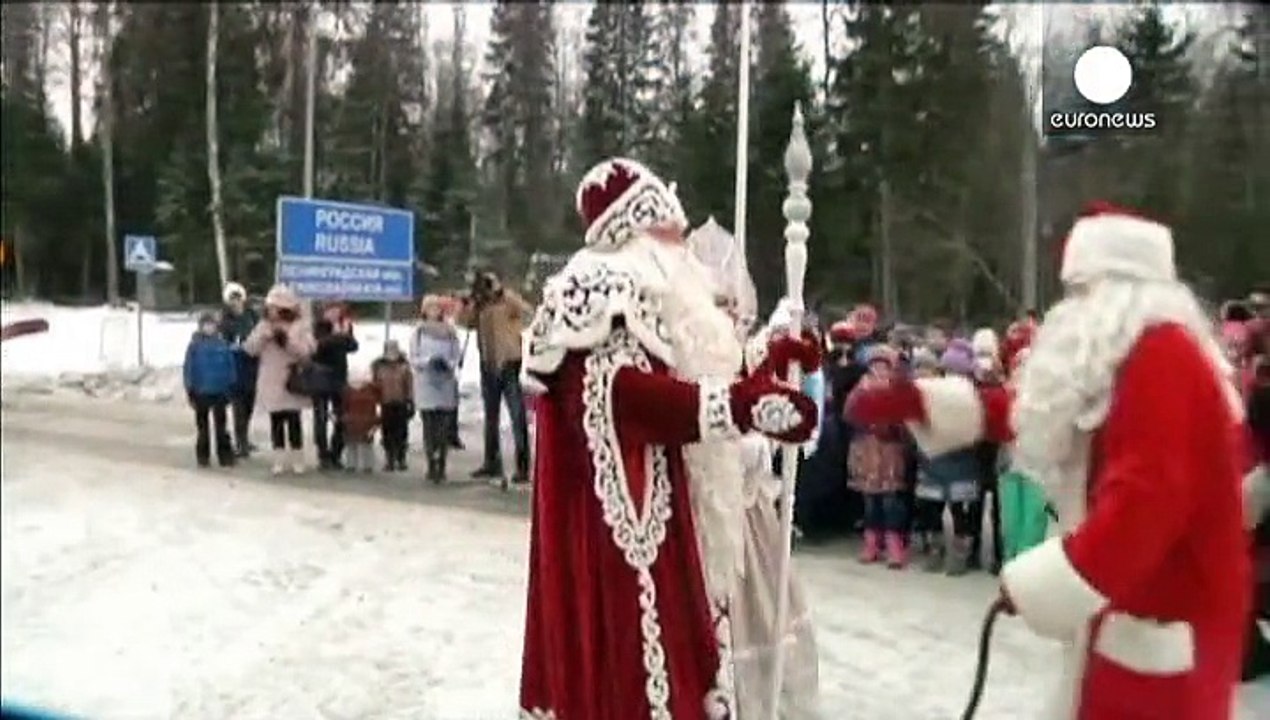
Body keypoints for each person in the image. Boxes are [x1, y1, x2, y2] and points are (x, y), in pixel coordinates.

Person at [848, 201, 1250, 719]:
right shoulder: (1129, 354)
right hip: (1131, 616)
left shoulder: (1163, 356)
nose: (1071, 308)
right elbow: (1043, 410)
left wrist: (1045, 583)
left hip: (1162, 619)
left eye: (1080, 292)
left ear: (1113, 292)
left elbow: (1148, 501)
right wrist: (917, 401)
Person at [517, 157, 820, 719]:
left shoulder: (658, 294)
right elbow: (623, 398)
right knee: (644, 675)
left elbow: (692, 375)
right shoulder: (600, 288)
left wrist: (766, 360)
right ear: (641, 230)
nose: (686, 249)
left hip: (687, 517)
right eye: (673, 233)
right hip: (623, 535)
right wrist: (740, 406)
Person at [456, 270, 532, 484]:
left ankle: (523, 465)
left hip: (509, 360)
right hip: (488, 361)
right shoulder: (480, 305)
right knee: (491, 415)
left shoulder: (507, 300)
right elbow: (464, 322)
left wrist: (502, 292)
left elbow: (526, 311)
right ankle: (491, 462)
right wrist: (468, 303)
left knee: (517, 414)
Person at [845, 344, 911, 568]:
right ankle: (871, 543)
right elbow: (849, 414)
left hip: (890, 451)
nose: (880, 370)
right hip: (866, 449)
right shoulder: (861, 387)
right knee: (871, 501)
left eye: (885, 366)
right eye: (876, 365)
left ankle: (894, 546)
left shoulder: (897, 388)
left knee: (891, 501)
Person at [243, 284, 317, 475]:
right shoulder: (263, 325)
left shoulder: (299, 325)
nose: (272, 311)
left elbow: (308, 351)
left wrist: (287, 342)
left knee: (294, 421)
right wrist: (263, 337)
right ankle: (279, 459)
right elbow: (249, 349)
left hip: (292, 380)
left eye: (277, 307)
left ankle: (297, 458)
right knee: (276, 421)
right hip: (271, 380)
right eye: (270, 307)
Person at [411, 295, 462, 483]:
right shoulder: (418, 332)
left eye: (437, 308)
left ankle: (442, 461)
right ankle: (431, 463)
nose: (434, 311)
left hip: (445, 382)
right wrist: (427, 362)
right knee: (429, 427)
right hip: (426, 383)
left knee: (443, 428)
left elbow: (456, 355)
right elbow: (414, 357)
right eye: (430, 308)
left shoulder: (450, 331)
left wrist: (448, 364)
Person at [183, 311, 238, 468]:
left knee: (221, 426)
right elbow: (189, 368)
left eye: (212, 325)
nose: (209, 328)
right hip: (201, 391)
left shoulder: (221, 344)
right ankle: (203, 456)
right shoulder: (195, 346)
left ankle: (225, 455)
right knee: (203, 428)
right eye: (206, 325)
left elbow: (230, 366)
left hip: (220, 391)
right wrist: (190, 388)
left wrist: (230, 384)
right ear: (201, 327)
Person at [311, 304, 359, 470]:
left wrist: (345, 335)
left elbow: (353, 347)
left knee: (342, 417)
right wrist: (339, 336)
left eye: (337, 309)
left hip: (339, 377)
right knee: (321, 417)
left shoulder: (345, 325)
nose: (334, 313)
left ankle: (336, 452)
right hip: (320, 376)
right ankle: (322, 454)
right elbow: (317, 348)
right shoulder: (318, 326)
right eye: (331, 309)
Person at [219, 281, 260, 457]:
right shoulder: (225, 320)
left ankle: (245, 437)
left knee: (250, 404)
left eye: (238, 298)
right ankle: (240, 441)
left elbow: (260, 334)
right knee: (239, 407)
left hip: (252, 365)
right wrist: (233, 346)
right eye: (232, 299)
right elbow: (223, 341)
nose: (235, 302)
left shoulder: (251, 316)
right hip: (235, 366)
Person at [371, 339, 414, 471]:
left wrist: (410, 401)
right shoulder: (378, 366)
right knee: (387, 432)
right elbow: (375, 384)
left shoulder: (404, 367)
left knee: (401, 432)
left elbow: (409, 385)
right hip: (386, 403)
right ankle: (389, 458)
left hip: (401, 402)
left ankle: (401, 458)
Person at [341, 367, 380, 474]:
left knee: (362, 444)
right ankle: (357, 465)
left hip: (362, 420)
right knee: (355, 444)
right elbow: (344, 406)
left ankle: (359, 465)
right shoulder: (348, 390)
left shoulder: (372, 389)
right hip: (357, 420)